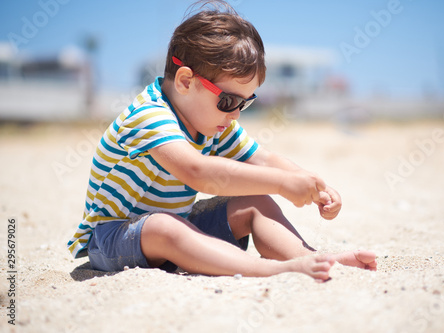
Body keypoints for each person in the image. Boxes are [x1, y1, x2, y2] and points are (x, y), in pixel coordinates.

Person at [67, 0, 377, 282]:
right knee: (164, 226)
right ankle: (272, 270)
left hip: (182, 227)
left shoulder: (214, 122)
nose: (236, 114)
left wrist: (313, 184)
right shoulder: (149, 115)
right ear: (186, 81)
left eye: (245, 103)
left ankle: (311, 259)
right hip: (114, 238)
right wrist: (282, 184)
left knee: (255, 201)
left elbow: (264, 160)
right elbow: (198, 172)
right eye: (229, 101)